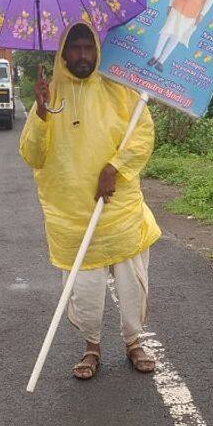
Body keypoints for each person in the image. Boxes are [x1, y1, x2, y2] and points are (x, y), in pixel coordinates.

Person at [19, 22, 161, 380]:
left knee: (132, 285)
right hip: (73, 217)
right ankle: (91, 348)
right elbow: (32, 155)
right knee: (84, 292)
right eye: (75, 48)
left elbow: (142, 135)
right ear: (63, 53)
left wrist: (115, 167)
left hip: (119, 212)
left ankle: (133, 342)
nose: (83, 55)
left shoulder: (120, 91)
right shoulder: (49, 95)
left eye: (88, 48)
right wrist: (39, 112)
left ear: (98, 50)